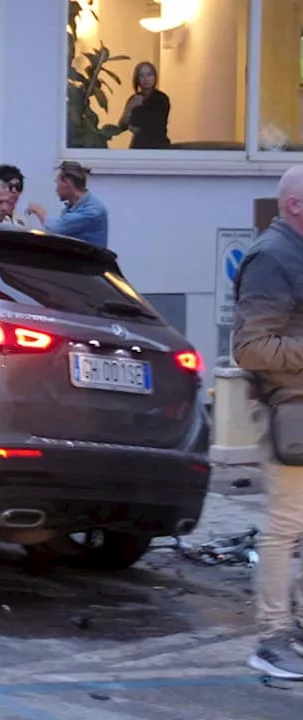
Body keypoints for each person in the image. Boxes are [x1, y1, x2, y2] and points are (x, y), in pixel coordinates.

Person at [232, 164, 303, 680]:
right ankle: (272, 638)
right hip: (290, 410)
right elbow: (250, 347)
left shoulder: (290, 253)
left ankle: (289, 630)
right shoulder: (274, 257)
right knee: (284, 528)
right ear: (296, 205)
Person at [25, 161, 108, 247]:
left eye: (57, 183)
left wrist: (39, 211)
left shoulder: (93, 211)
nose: (56, 189)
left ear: (67, 182)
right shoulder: (73, 208)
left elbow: (56, 228)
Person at [119, 61, 171, 150]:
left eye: (149, 75)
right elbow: (121, 126)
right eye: (141, 75)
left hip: (158, 146)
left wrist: (135, 128)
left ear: (155, 77)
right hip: (138, 146)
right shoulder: (134, 98)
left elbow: (156, 125)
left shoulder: (161, 98)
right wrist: (130, 108)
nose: (145, 79)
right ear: (137, 79)